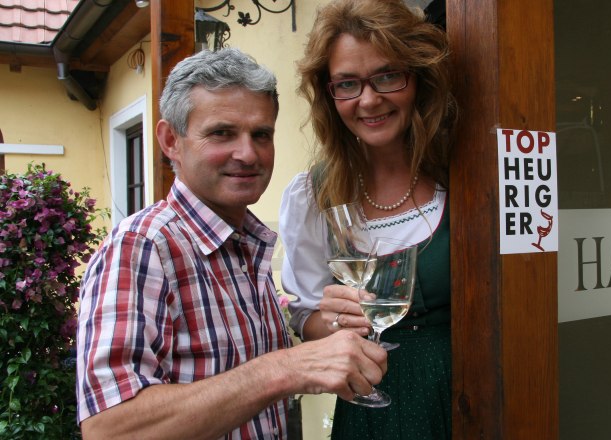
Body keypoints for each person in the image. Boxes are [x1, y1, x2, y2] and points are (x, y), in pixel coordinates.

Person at [75, 48, 387, 440]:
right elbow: (109, 429)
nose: (248, 153)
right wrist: (285, 368)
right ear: (171, 140)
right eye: (222, 133)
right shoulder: (143, 248)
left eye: (261, 135)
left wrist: (334, 325)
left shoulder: (243, 246)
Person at [279, 0, 457, 438]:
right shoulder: (313, 194)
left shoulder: (462, 175)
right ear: (329, 93)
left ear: (417, 78)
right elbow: (307, 319)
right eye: (347, 84)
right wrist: (336, 320)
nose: (369, 99)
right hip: (370, 410)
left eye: (387, 76)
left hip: (461, 395)